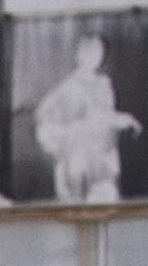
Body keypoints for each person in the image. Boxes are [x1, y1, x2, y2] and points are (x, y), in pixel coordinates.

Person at [33, 34, 130, 205]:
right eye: (92, 52)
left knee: (105, 200)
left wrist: (121, 120)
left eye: (100, 52)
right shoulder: (70, 86)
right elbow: (43, 113)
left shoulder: (104, 84)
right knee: (78, 201)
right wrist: (68, 132)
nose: (97, 56)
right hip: (78, 154)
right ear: (81, 55)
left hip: (103, 154)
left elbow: (107, 115)